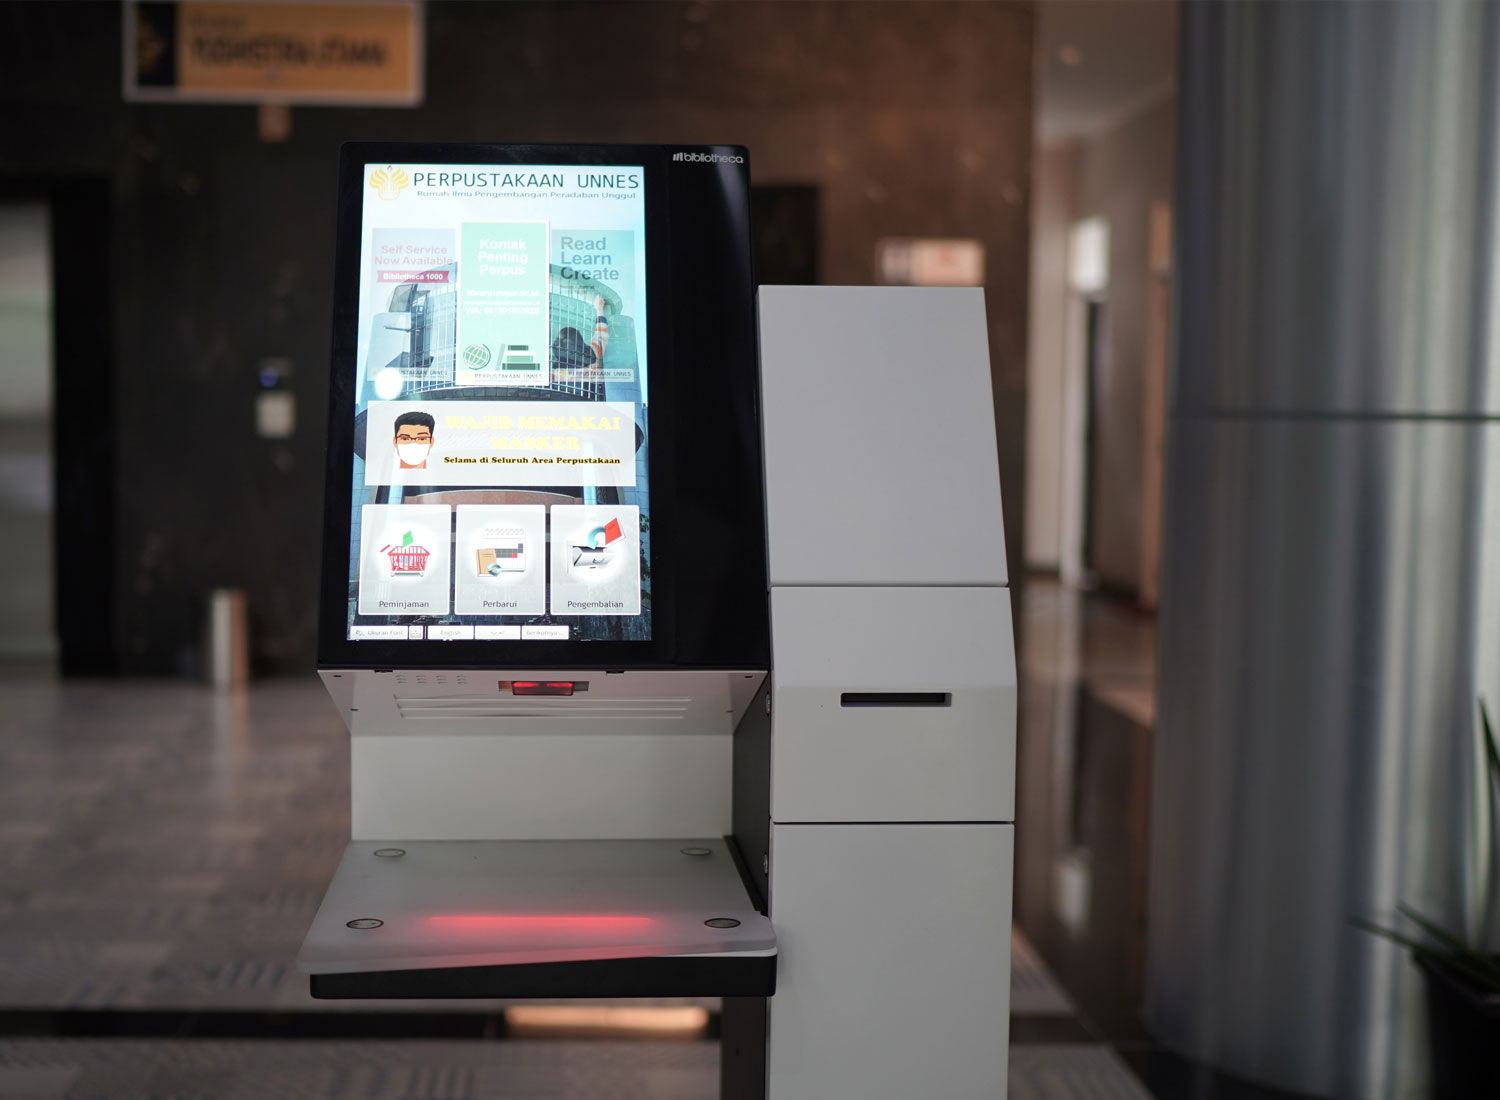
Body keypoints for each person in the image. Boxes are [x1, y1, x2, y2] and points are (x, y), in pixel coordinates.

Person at [551, 294, 610, 378]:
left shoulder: (555, 373)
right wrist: (599, 309)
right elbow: (601, 335)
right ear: (579, 341)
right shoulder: (593, 354)